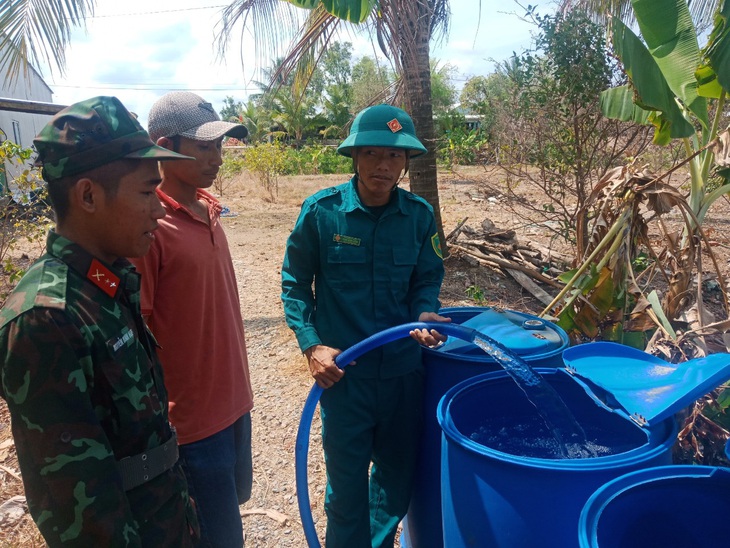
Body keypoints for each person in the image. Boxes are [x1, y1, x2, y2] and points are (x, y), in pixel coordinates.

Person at [0, 96, 199, 546]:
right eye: (148, 192)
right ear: (88, 195)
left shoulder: (108, 281)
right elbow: (80, 511)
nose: (161, 209)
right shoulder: (44, 320)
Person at [281, 103, 450, 547]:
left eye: (395, 156)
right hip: (345, 378)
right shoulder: (322, 212)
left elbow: (426, 277)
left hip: (402, 373)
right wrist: (311, 345)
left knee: (394, 484)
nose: (384, 165)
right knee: (346, 488)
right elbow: (295, 284)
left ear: (406, 162)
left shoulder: (418, 216)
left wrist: (424, 311)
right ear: (354, 157)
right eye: (373, 153)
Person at [130, 91, 254, 548]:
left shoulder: (210, 208)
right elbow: (137, 335)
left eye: (219, 146)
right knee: (216, 537)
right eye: (203, 146)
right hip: (191, 425)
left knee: (228, 516)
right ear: (164, 145)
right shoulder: (150, 227)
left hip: (234, 403)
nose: (216, 157)